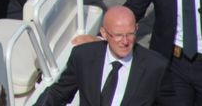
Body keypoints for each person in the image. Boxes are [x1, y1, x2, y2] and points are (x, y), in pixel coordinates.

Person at [35, 6, 179, 105]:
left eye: (130, 34)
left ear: (136, 29)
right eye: (117, 35)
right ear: (104, 33)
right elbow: (59, 93)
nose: (125, 41)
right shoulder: (84, 56)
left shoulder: (155, 67)